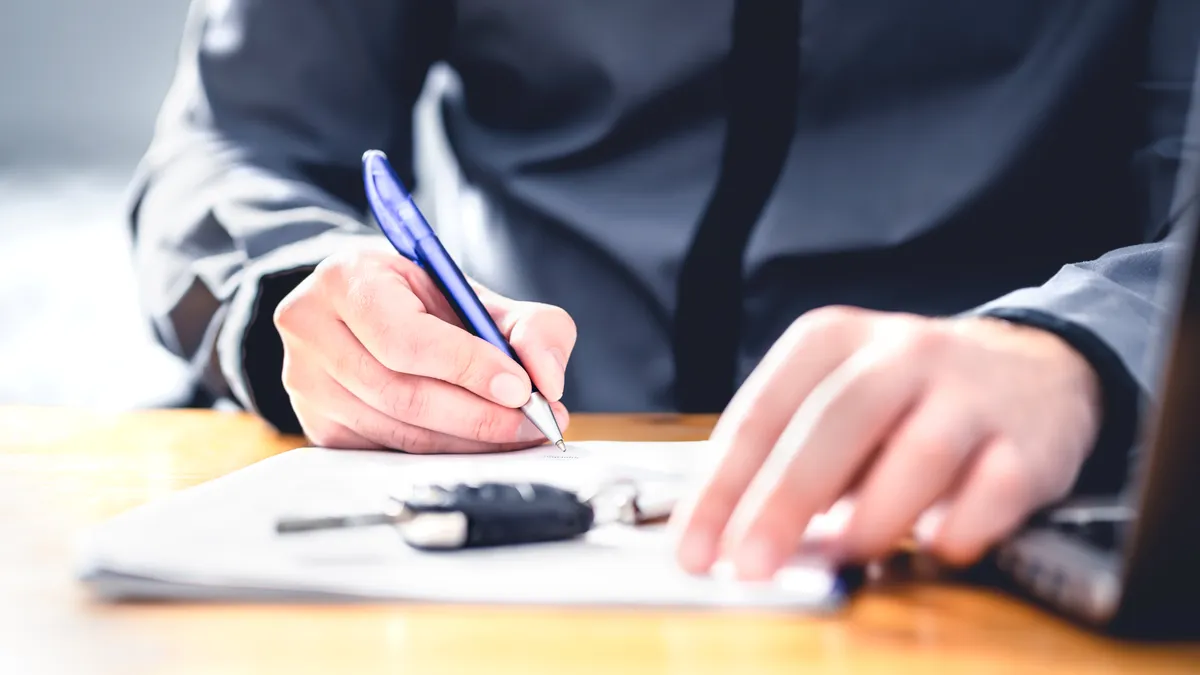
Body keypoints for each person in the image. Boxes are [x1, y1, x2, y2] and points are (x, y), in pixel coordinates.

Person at [128, 0, 1200, 581]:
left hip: (966, 523)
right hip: (496, 487)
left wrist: (1083, 353)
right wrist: (296, 291)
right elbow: (232, 139)